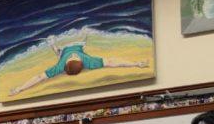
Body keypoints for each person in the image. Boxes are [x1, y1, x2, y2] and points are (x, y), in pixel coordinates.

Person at [8, 33, 148, 97]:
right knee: (71, 47)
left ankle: (52, 44)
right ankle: (84, 34)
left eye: (73, 57)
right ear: (80, 62)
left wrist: (19, 89)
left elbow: (39, 77)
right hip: (79, 44)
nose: (73, 56)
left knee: (58, 54)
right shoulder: (88, 61)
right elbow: (112, 62)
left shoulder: (61, 66)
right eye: (75, 57)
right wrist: (136, 64)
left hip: (62, 51)